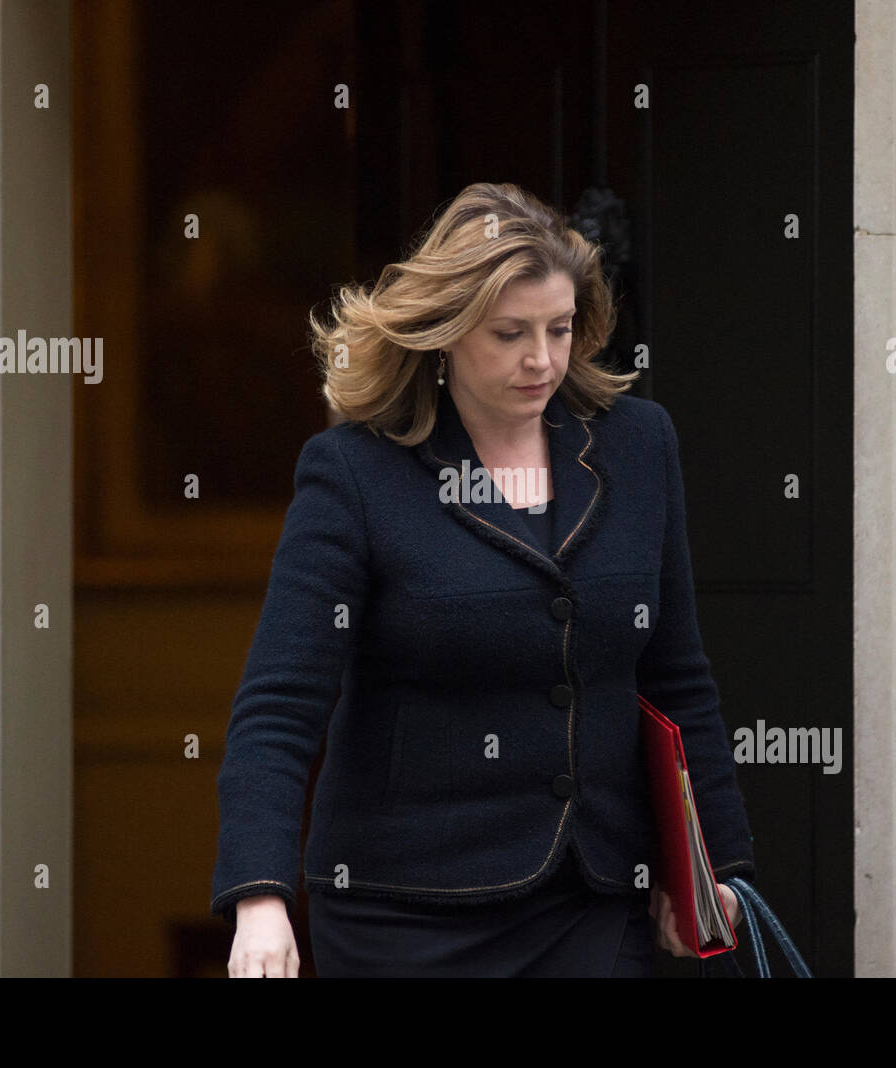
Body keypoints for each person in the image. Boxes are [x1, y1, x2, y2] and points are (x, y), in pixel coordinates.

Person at [210, 181, 755, 977]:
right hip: (402, 913)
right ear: (446, 332)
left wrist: (713, 866)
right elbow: (281, 701)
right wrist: (259, 896)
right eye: (509, 333)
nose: (541, 358)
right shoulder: (356, 473)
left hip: (594, 899)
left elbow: (676, 677)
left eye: (560, 329)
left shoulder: (640, 446)